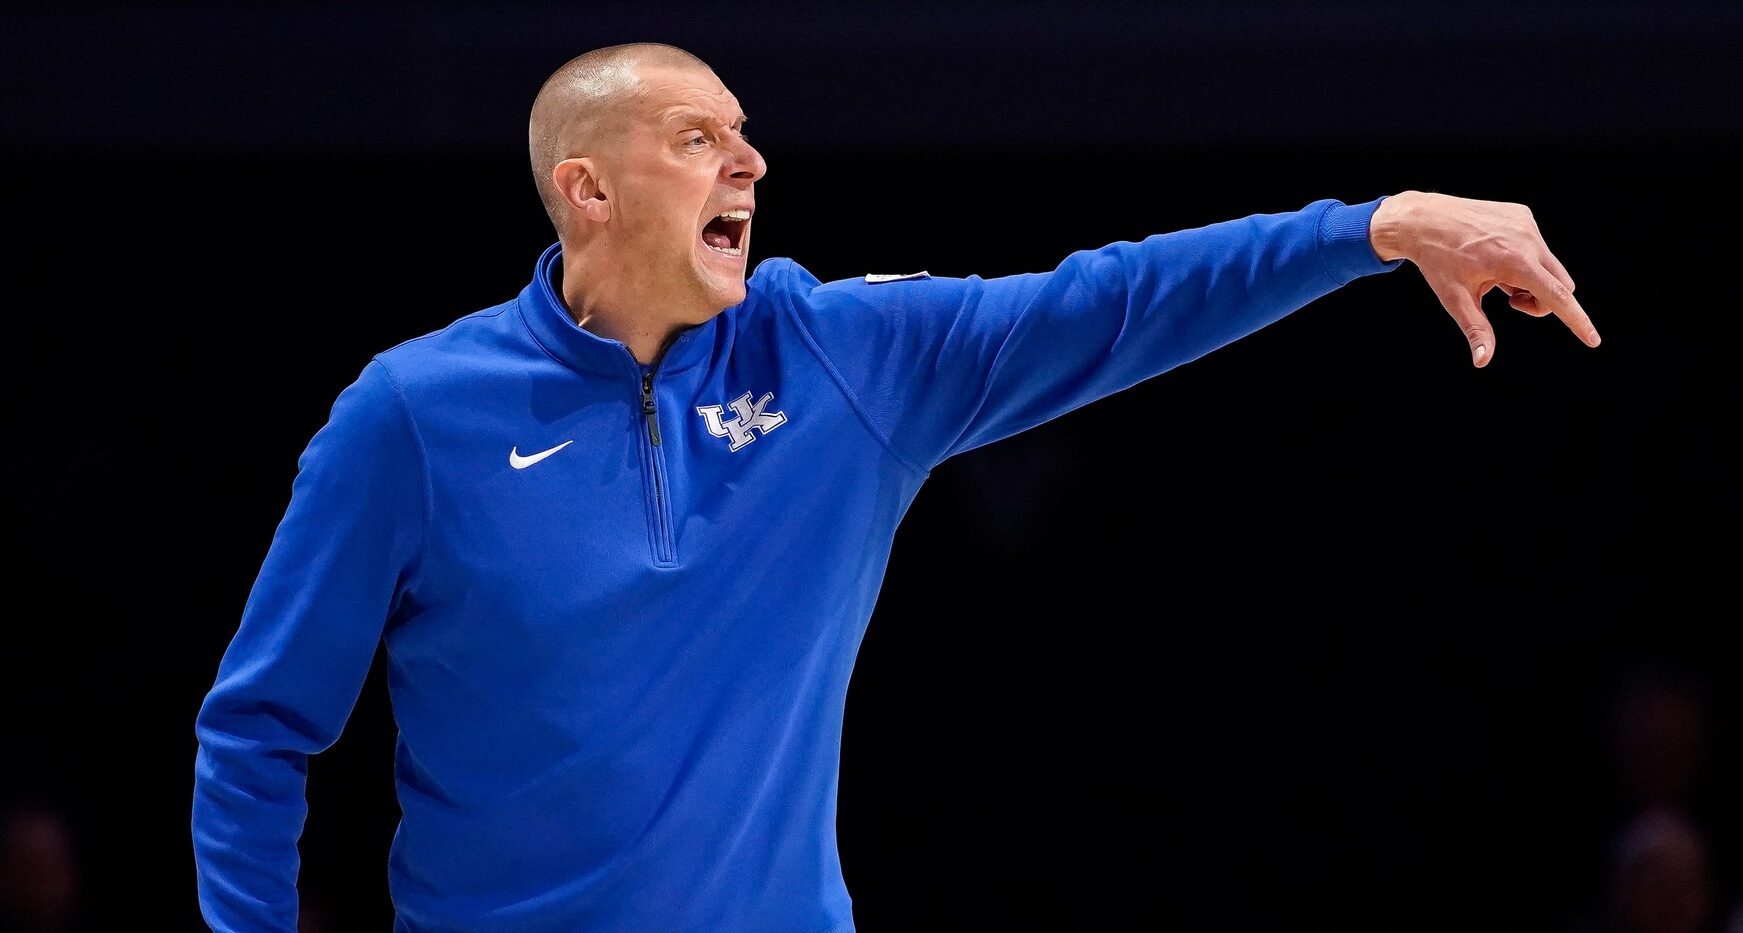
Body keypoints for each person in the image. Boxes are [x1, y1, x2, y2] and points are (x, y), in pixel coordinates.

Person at [190, 41, 1599, 933]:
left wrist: (1370, 227)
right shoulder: (412, 414)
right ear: (588, 190)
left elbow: (1105, 302)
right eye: (695, 138)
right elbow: (258, 732)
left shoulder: (834, 353)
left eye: (745, 134)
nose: (747, 158)